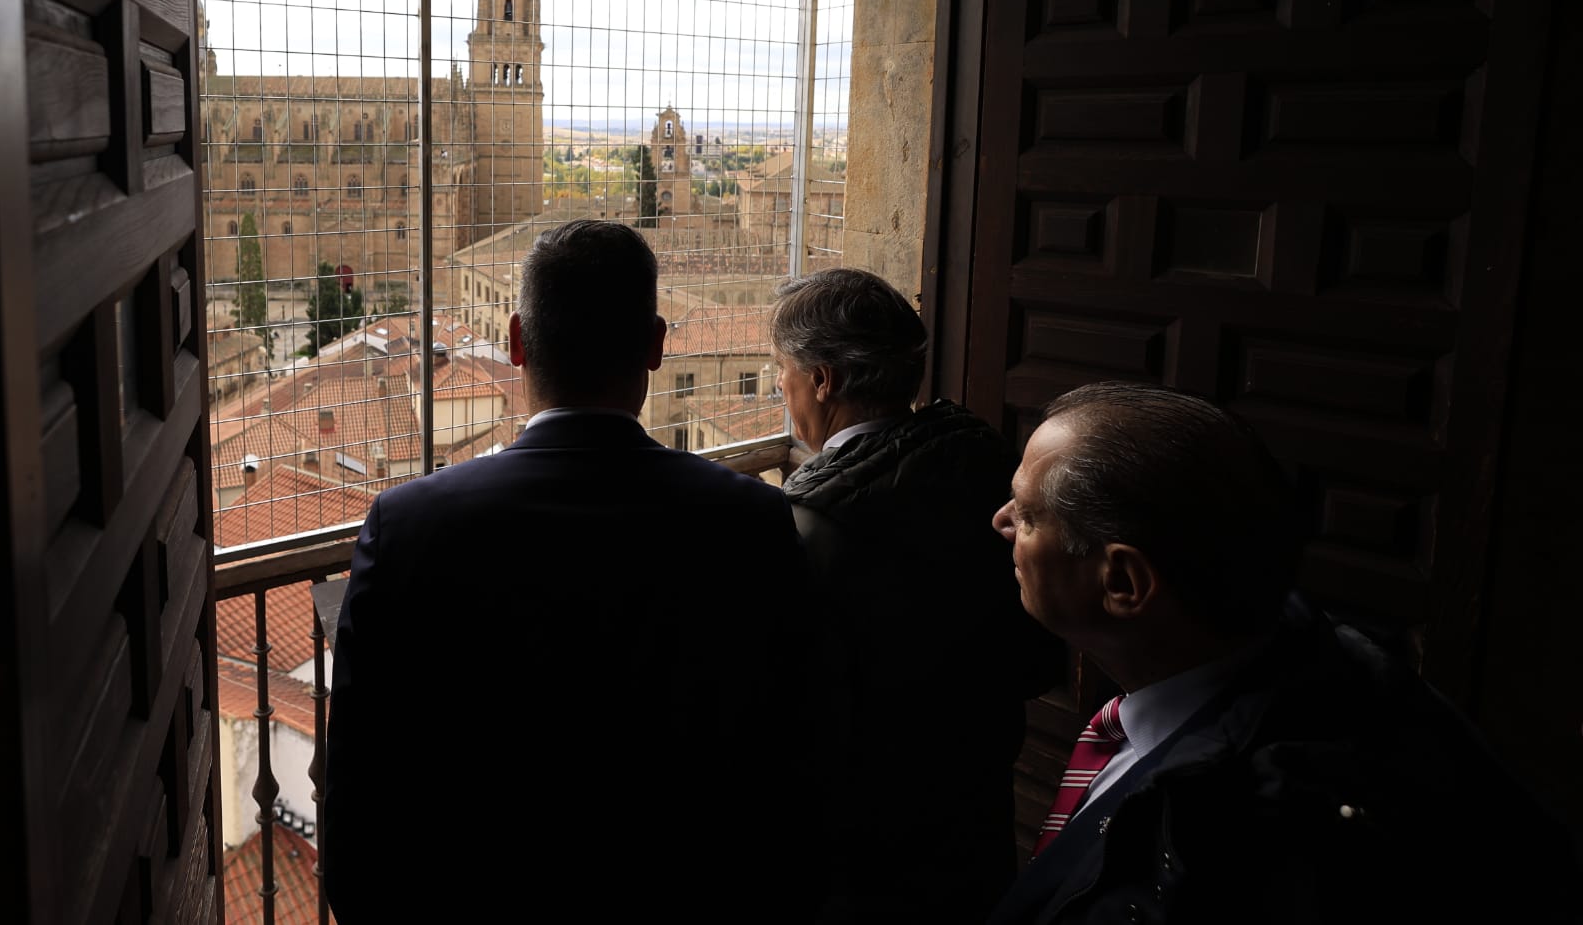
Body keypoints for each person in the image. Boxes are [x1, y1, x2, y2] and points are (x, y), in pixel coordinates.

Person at [324, 220, 812, 925]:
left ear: (517, 341)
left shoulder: (408, 526)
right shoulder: (752, 524)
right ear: (655, 345)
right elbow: (793, 777)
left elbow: (361, 811)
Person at [986, 381, 1576, 925]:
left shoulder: (1255, 845)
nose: (1002, 521)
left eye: (1031, 515)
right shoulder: (1304, 654)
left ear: (1123, 584)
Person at [772, 268, 1063, 923]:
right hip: (976, 802)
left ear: (824, 379)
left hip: (865, 849)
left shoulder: (810, 526)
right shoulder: (986, 465)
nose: (782, 391)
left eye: (783, 371)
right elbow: (1035, 653)